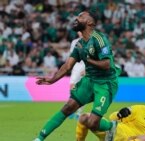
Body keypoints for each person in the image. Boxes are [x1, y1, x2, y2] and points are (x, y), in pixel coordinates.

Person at [33, 9, 120, 141]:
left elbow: (106, 64)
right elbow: (67, 66)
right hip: (89, 81)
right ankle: (39, 138)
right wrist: (52, 80)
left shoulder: (99, 39)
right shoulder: (79, 44)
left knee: (92, 123)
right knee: (68, 107)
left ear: (90, 22)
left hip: (105, 84)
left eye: (80, 16)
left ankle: (111, 125)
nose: (76, 19)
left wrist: (88, 60)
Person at [76, 90, 145, 141]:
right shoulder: (139, 109)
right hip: (113, 132)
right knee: (85, 117)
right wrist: (120, 114)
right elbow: (112, 118)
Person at [68, 31, 85, 119]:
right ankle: (71, 109)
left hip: (86, 65)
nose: (80, 32)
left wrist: (87, 69)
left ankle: (79, 112)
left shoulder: (91, 41)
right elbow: (72, 56)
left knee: (83, 89)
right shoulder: (74, 42)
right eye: (79, 31)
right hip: (76, 66)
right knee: (72, 87)